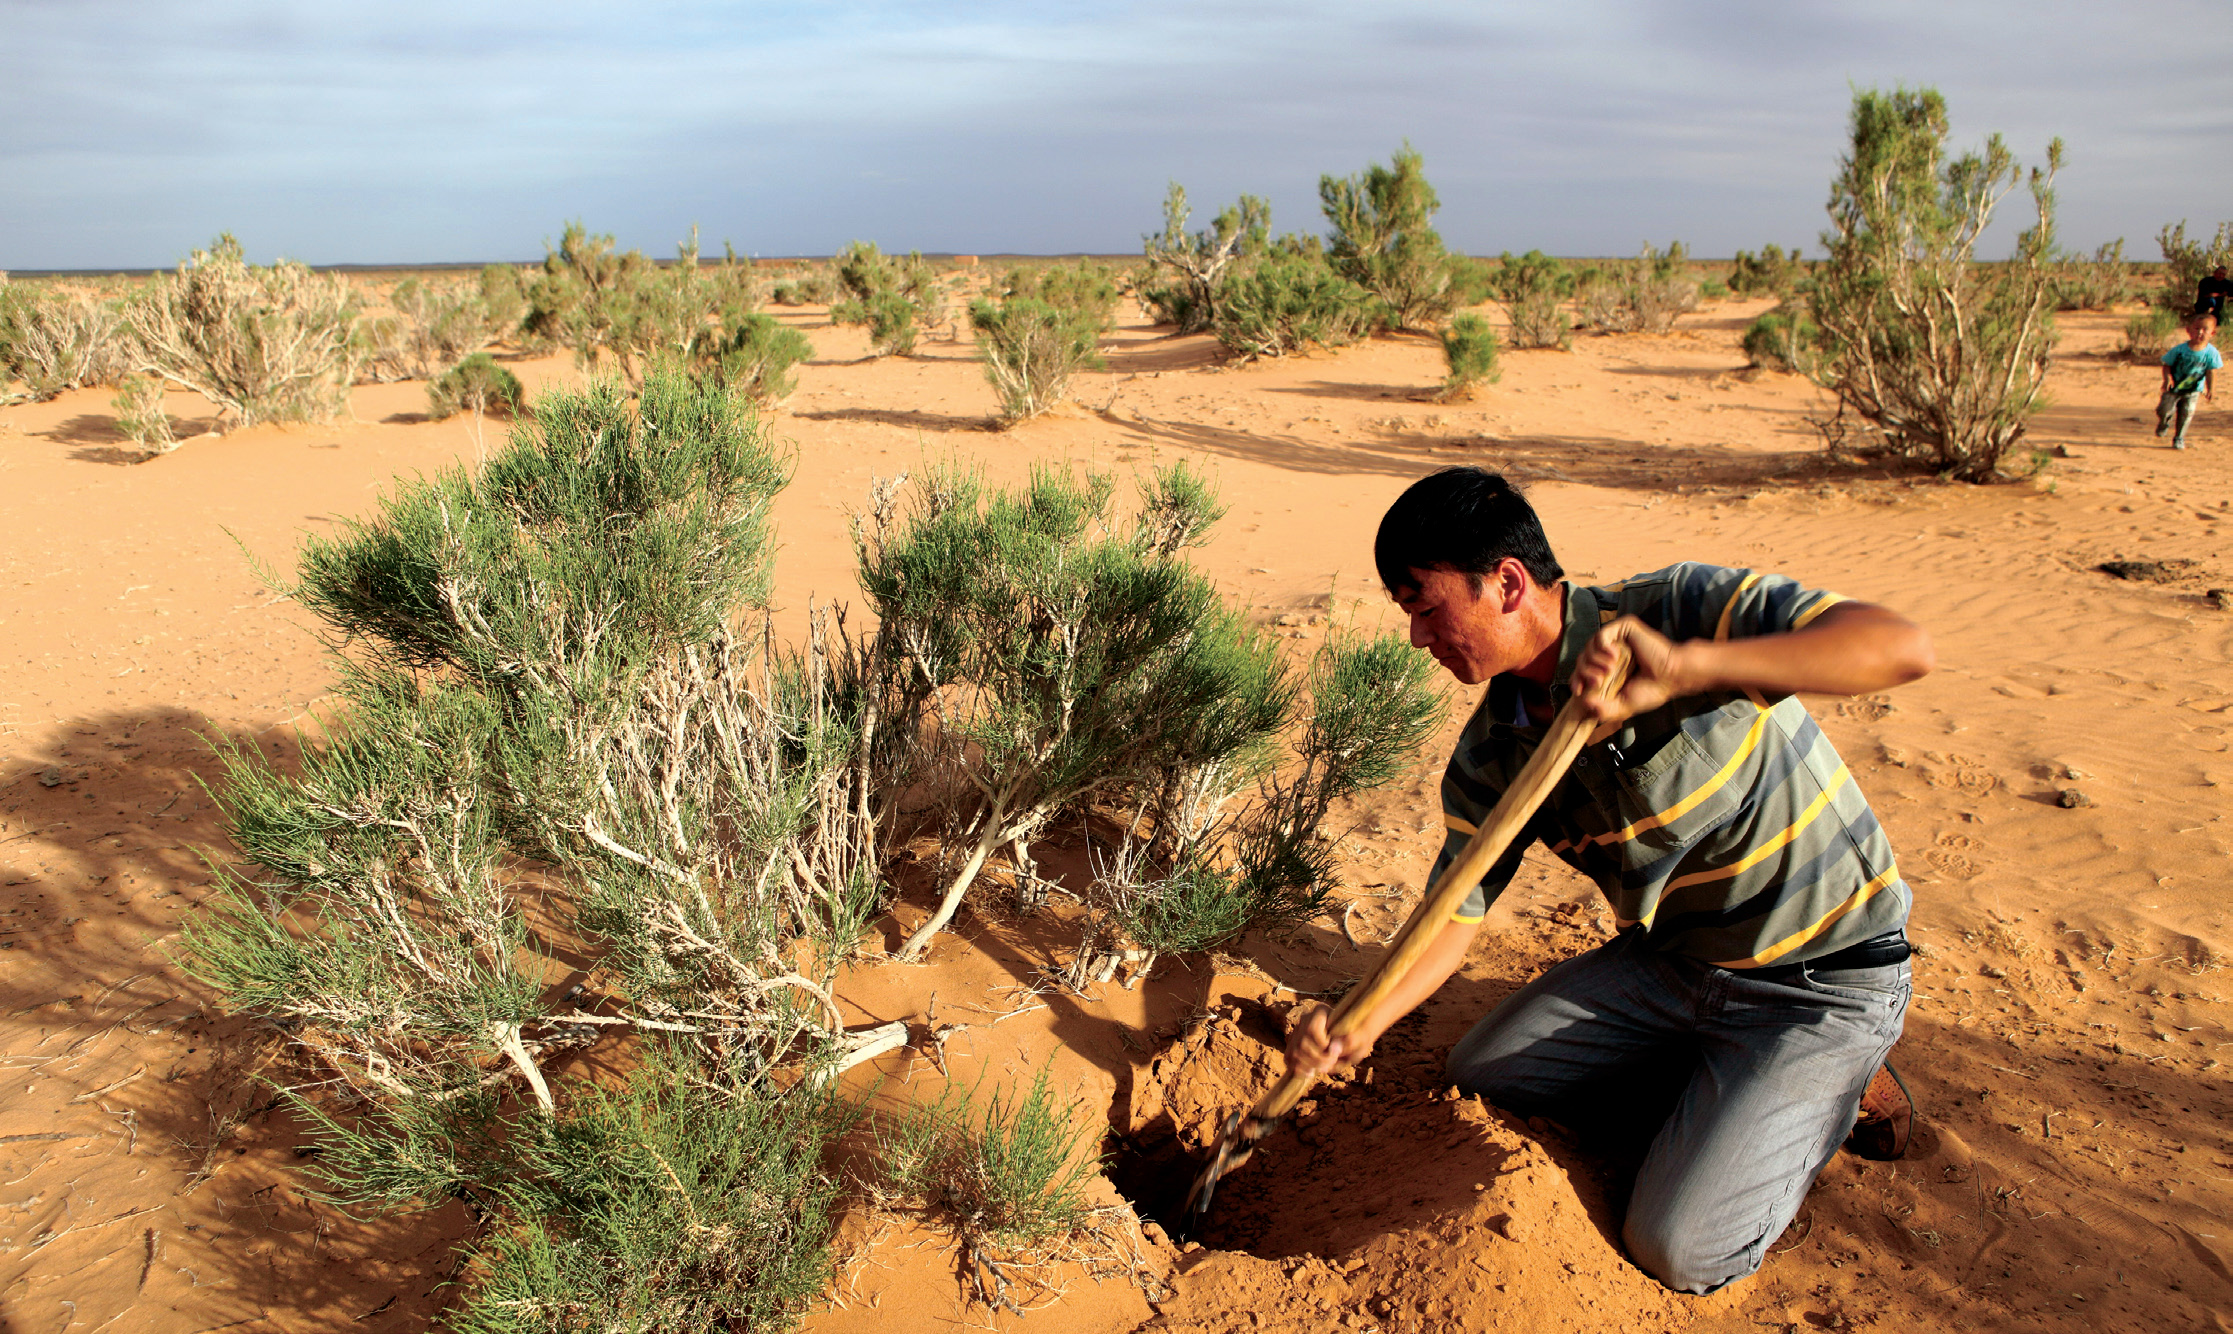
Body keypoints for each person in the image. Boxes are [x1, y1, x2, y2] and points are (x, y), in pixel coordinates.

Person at [1286, 467, 1934, 1295]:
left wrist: (1690, 668)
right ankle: (1727, 1086)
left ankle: (1833, 1084)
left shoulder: (1676, 610)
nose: (1417, 637)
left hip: (1822, 978)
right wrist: (1359, 1021)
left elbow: (1899, 646)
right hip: (1673, 969)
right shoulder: (1493, 752)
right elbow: (1453, 913)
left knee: (1679, 1248)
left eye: (1425, 606)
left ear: (1506, 584)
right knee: (1486, 1075)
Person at [2159, 311, 2220, 449]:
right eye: (2197, 328)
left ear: (2212, 333)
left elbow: (2211, 371)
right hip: (2174, 387)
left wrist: (2211, 389)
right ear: (2188, 330)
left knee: (2186, 413)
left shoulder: (2211, 353)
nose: (2200, 332)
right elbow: (2167, 364)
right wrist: (2167, 379)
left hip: (2193, 389)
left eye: (2205, 329)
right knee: (2164, 410)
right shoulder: (2179, 350)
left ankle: (2179, 438)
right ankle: (2164, 422)